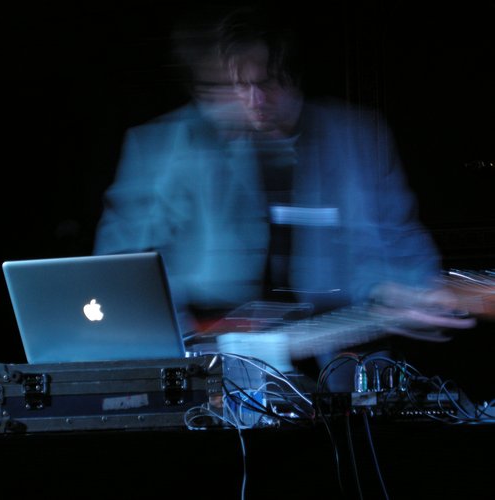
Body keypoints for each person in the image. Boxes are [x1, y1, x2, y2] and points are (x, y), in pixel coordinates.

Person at [93, 6, 474, 387]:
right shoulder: (161, 147)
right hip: (208, 367)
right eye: (235, 85)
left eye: (267, 81)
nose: (254, 100)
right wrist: (185, 346)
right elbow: (119, 271)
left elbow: (399, 243)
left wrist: (408, 291)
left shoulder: (356, 137)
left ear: (293, 76)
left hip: (337, 362)